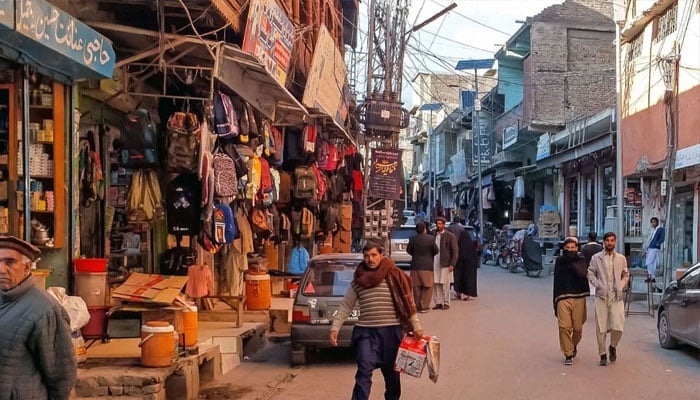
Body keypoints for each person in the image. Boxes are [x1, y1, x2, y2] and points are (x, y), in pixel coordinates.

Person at [329, 241, 423, 400]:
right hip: (366, 333)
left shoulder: (394, 275)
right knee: (363, 373)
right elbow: (346, 305)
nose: (370, 259)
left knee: (392, 378)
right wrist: (335, 327)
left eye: (373, 255)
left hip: (391, 333)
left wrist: (417, 326)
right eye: (366, 256)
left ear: (381, 256)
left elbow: (407, 302)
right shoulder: (359, 280)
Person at [0, 236, 77, 399]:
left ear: (27, 268)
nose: (1, 269)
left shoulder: (45, 309)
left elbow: (61, 376)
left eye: (9, 262)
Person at [587, 232, 629, 366]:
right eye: (607, 241)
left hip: (616, 296)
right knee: (601, 327)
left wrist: (621, 286)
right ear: (603, 242)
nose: (609, 243)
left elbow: (625, 275)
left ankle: (612, 346)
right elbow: (590, 273)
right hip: (601, 296)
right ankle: (602, 354)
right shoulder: (596, 258)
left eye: (612, 241)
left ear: (615, 242)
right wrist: (598, 284)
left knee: (618, 326)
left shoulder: (621, 258)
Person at [552, 237, 590, 366]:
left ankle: (573, 345)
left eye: (573, 248)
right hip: (563, 297)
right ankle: (568, 353)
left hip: (579, 296)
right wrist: (555, 300)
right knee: (564, 327)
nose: (570, 250)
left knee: (577, 328)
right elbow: (556, 281)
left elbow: (583, 276)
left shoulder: (581, 261)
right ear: (564, 249)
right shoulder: (560, 261)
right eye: (567, 248)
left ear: (577, 248)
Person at [406, 222, 439, 312]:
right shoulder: (430, 239)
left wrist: (415, 255)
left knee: (416, 287)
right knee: (428, 286)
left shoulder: (412, 239)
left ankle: (417, 306)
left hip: (415, 266)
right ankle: (424, 306)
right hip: (427, 266)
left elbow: (408, 250)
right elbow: (436, 250)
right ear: (425, 229)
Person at [432, 217, 458, 310]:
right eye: (437, 224)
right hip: (435, 261)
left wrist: (452, 264)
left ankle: (446, 302)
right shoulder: (434, 235)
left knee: (445, 284)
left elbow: (455, 251)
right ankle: (438, 302)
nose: (438, 225)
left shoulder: (450, 236)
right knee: (436, 283)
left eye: (440, 224)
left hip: (445, 263)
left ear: (443, 225)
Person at [451, 217, 479, 301]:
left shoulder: (460, 247)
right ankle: (467, 294)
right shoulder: (471, 248)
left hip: (459, 265)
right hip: (469, 267)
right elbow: (475, 259)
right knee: (469, 279)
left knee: (458, 277)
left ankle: (458, 292)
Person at [643, 217, 665, 282]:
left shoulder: (660, 229)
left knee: (651, 262)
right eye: (652, 222)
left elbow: (662, 238)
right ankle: (651, 277)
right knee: (650, 263)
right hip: (650, 247)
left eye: (654, 222)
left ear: (657, 222)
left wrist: (657, 244)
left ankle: (652, 277)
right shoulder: (653, 230)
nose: (653, 223)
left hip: (655, 248)